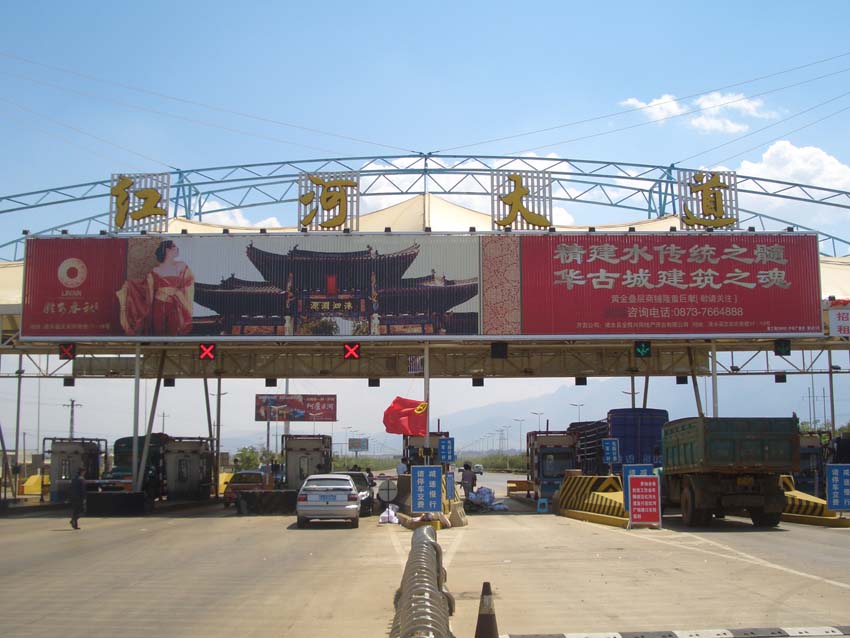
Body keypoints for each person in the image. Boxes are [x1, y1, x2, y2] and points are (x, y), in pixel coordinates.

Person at [117, 240, 195, 336]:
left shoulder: (181, 266)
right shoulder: (155, 271)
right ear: (167, 250)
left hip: (174, 306)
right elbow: (145, 288)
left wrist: (177, 294)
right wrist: (130, 285)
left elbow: (188, 283)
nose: (177, 248)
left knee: (173, 332)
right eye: (174, 246)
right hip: (158, 305)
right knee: (158, 333)